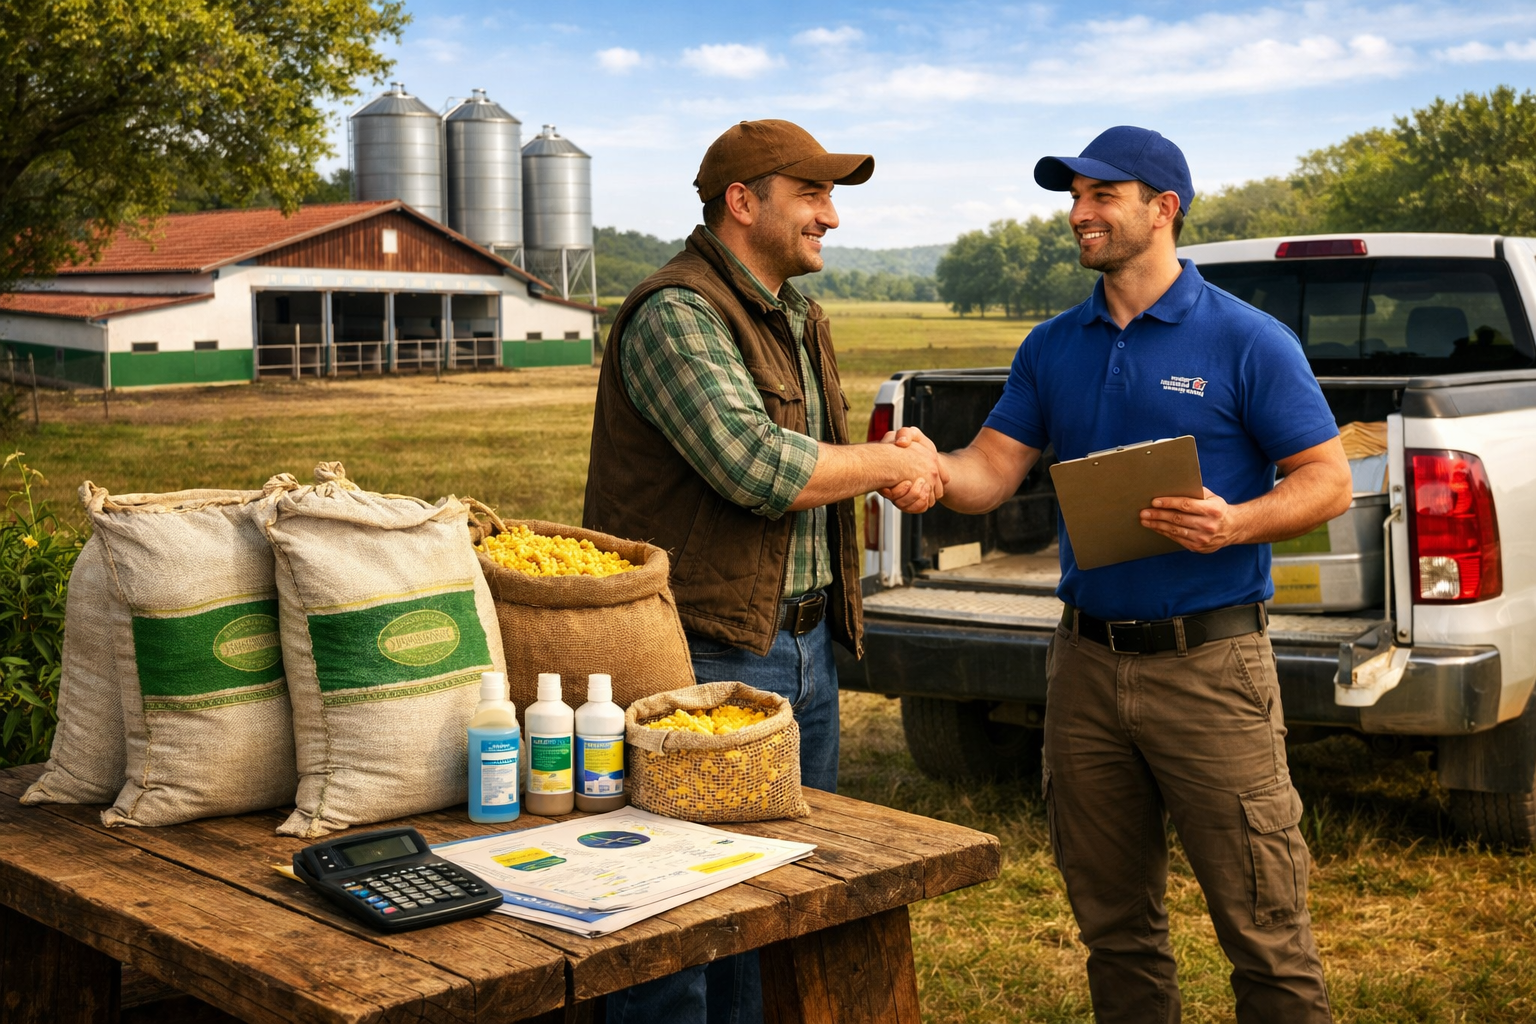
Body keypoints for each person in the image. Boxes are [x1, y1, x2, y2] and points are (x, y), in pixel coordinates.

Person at [886, 126, 1350, 1023]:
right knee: (1115, 930)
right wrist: (931, 469)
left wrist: (1235, 522)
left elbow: (1326, 479)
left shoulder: (1247, 340)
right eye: (1074, 197)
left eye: (1102, 195)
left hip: (1212, 669)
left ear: (1162, 208)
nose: (1079, 214)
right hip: (1086, 671)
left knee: (1265, 933)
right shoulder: (1054, 345)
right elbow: (991, 468)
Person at [583, 119, 945, 1024]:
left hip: (802, 648)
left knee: (772, 900)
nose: (831, 216)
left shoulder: (795, 315)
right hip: (704, 657)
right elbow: (758, 467)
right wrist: (892, 465)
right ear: (743, 203)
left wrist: (880, 458)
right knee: (673, 915)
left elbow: (816, 456)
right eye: (812, 195)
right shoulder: (678, 312)